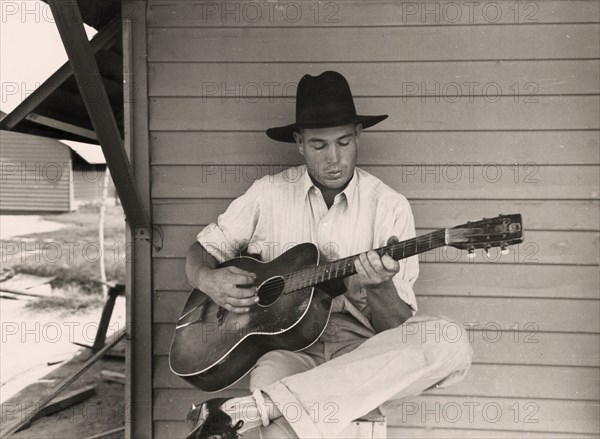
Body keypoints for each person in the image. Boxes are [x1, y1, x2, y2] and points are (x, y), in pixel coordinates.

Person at [184, 71, 472, 439]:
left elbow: (397, 331)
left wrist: (381, 288)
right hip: (285, 351)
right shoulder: (266, 195)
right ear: (299, 143)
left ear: (358, 136)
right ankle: (276, 407)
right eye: (319, 146)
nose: (334, 159)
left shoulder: (389, 206)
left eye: (344, 142)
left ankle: (260, 409)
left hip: (362, 351)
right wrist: (208, 279)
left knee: (449, 341)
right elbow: (201, 251)